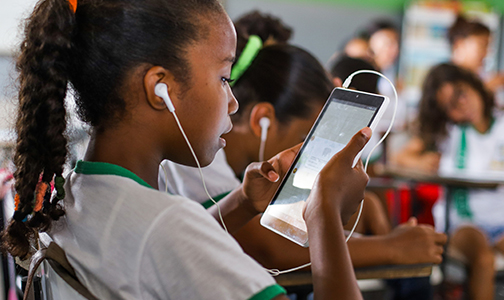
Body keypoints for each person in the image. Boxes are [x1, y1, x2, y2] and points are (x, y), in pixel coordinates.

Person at [2, 0, 374, 299]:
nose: (232, 102)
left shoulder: (74, 192)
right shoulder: (166, 224)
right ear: (159, 88)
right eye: (223, 78)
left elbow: (162, 248)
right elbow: (170, 238)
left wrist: (242, 201)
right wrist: (323, 209)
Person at [159, 39, 446, 272]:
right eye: (303, 139)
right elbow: (267, 247)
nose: (231, 104)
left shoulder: (237, 174)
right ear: (264, 119)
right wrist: (390, 248)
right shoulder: (198, 153)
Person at [395, 63, 504, 300]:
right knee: (483, 259)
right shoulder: (448, 132)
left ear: (474, 85)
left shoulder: (501, 123)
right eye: (450, 106)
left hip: (501, 220)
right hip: (464, 223)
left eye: (461, 94)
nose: (461, 105)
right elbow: (400, 156)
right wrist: (419, 162)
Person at [448, 15, 504, 102]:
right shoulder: (446, 78)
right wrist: (487, 88)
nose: (486, 53)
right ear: (460, 43)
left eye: (488, 47)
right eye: (482, 45)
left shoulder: (477, 77)